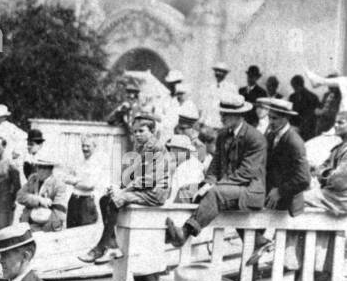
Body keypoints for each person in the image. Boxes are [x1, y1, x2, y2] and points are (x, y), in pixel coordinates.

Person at [166, 93, 267, 249]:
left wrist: (213, 186)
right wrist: (207, 182)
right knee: (188, 189)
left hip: (250, 190)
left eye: (226, 114)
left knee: (215, 193)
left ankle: (185, 232)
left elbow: (245, 173)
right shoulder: (223, 135)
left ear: (239, 115)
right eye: (221, 113)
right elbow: (214, 166)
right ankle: (172, 230)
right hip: (227, 188)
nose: (221, 117)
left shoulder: (255, 138)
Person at [78, 114, 172, 263]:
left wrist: (123, 191)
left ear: (152, 131)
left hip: (155, 193)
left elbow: (150, 180)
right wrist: (118, 187)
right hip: (144, 190)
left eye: (141, 131)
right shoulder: (142, 148)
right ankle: (113, 246)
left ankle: (100, 248)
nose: (137, 135)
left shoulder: (156, 149)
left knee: (118, 199)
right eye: (135, 131)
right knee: (105, 199)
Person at [246, 97, 311, 267]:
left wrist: (280, 191)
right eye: (270, 117)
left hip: (285, 201)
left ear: (285, 118)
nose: (271, 122)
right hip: (268, 196)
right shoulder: (271, 135)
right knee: (250, 238)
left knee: (270, 247)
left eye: (275, 118)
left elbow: (304, 178)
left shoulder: (294, 141)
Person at [15, 157, 69, 232]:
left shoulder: (58, 184)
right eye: (38, 167)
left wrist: (44, 230)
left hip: (48, 225)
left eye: (44, 168)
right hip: (30, 223)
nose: (39, 171)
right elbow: (20, 196)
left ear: (50, 170)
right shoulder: (33, 179)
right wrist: (39, 200)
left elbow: (59, 212)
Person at [288, 75, 320, 140]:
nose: (294, 89)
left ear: (300, 85)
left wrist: (300, 128)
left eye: (295, 87)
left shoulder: (312, 97)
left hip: (307, 131)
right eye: (293, 87)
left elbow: (312, 116)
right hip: (294, 129)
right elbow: (290, 113)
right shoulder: (292, 97)